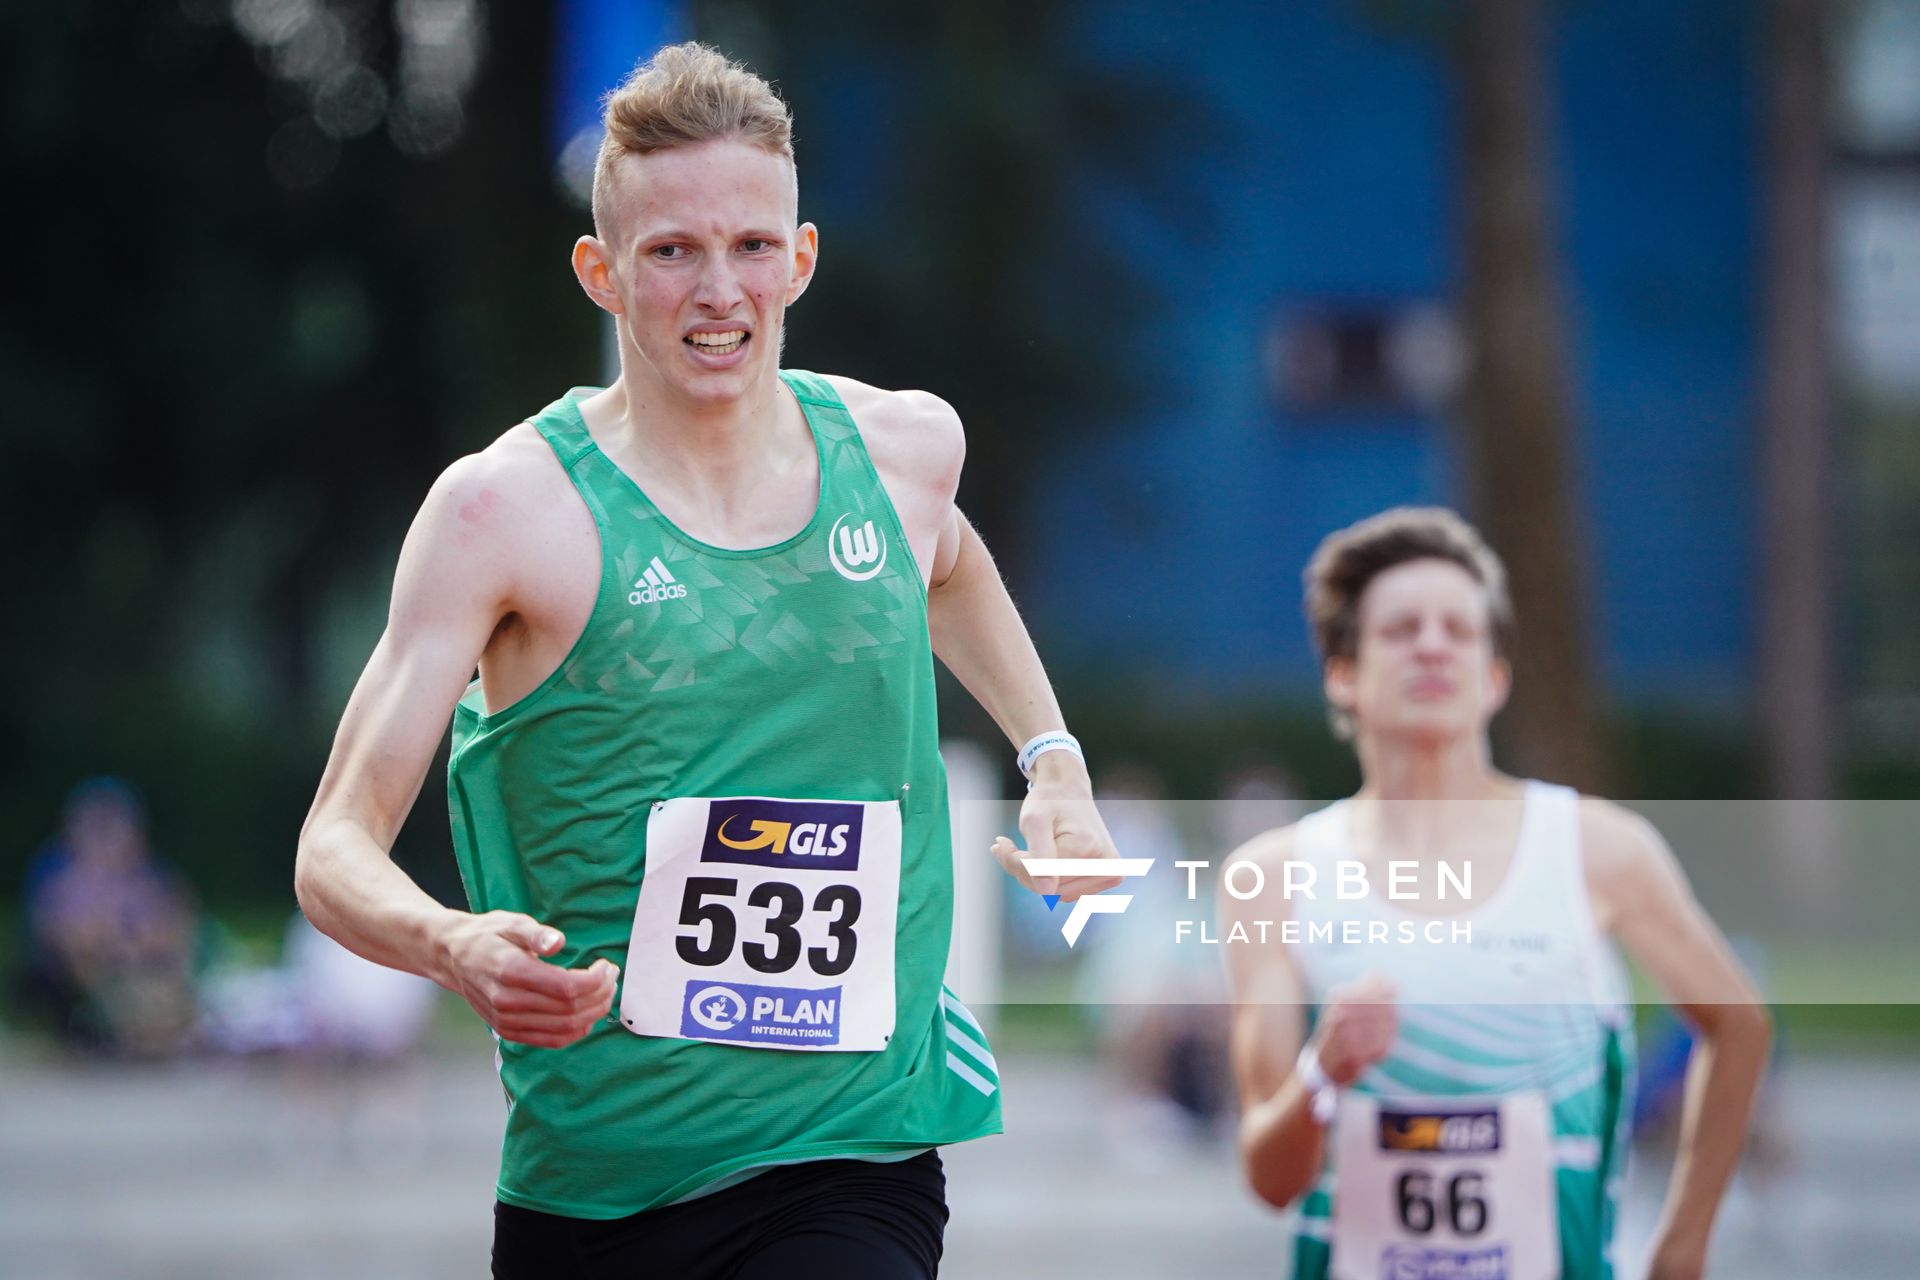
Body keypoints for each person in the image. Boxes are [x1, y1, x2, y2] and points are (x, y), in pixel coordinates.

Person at [293, 42, 1118, 1280]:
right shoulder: (502, 515)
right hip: (597, 1184)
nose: (718, 289)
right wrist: (449, 941)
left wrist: (1052, 758)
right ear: (603, 272)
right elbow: (333, 846)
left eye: (750, 246)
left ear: (802, 258)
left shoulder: (901, 453)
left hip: (854, 1150)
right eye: (673, 250)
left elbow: (950, 568)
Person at [1222, 508, 1771, 1280]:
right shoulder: (1274, 878)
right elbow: (1269, 1179)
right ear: (1342, 673)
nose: (1433, 645)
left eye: (1459, 629)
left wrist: (1682, 1247)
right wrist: (1323, 1072)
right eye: (1402, 628)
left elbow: (1738, 1024)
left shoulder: (1597, 849)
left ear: (1495, 677)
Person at [20, 777, 200, 1055]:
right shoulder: (63, 879)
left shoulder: (152, 877)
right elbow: (67, 939)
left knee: (157, 989)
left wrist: (133, 947)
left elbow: (178, 927)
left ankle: (149, 1029)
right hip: (88, 977)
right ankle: (130, 1028)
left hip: (139, 968)